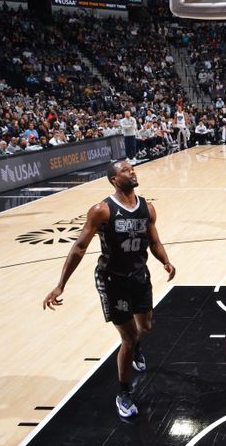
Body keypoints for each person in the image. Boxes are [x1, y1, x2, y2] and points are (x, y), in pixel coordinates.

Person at [42, 160, 176, 418]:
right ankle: (123, 394)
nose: (132, 171)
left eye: (132, 168)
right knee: (127, 337)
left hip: (139, 275)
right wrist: (61, 285)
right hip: (112, 280)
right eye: (125, 170)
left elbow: (154, 240)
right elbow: (79, 247)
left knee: (144, 328)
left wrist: (166, 261)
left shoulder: (147, 208)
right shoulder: (101, 210)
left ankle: (136, 347)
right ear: (114, 179)